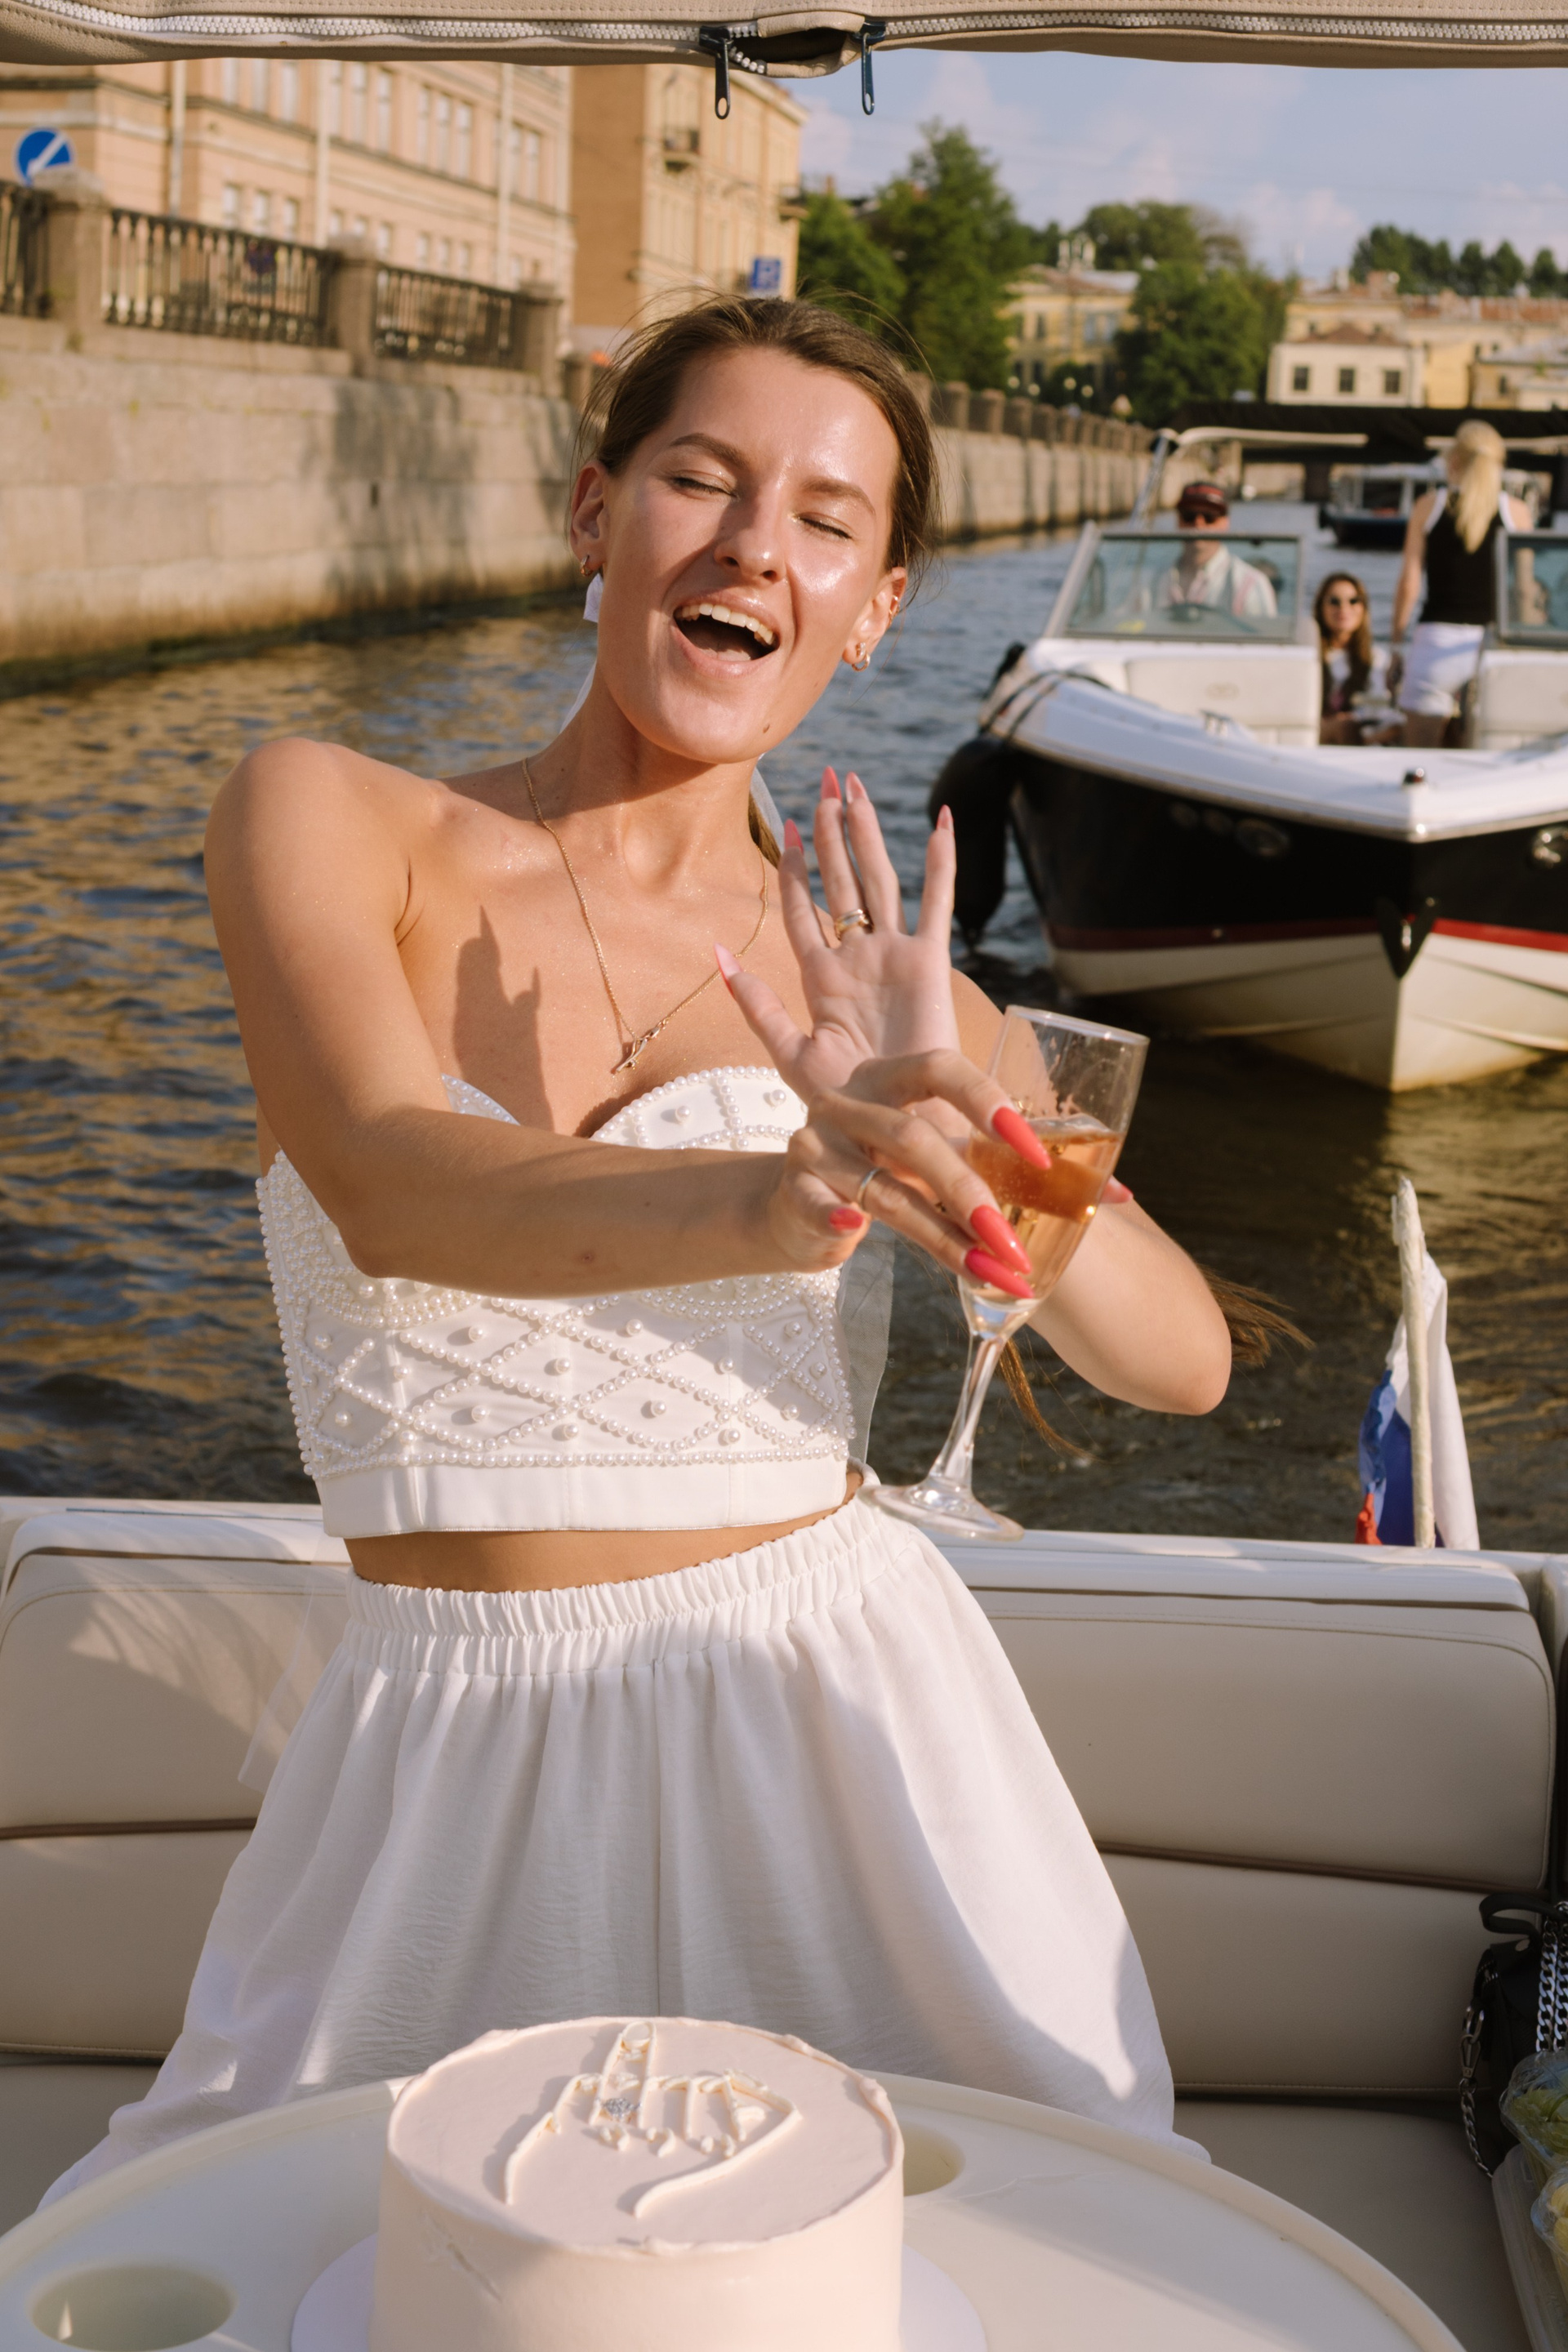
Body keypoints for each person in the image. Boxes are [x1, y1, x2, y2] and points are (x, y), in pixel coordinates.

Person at [49, 296, 1231, 2201]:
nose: (758, 545)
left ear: (873, 607)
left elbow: (1178, 1360)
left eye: (824, 520)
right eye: (702, 480)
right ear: (596, 511)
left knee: (971, 2264)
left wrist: (983, 1160)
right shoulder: (331, 818)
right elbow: (390, 1177)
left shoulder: (888, 992)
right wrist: (785, 1193)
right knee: (291, 2253)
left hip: (843, 1722)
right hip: (441, 1748)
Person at [1392, 420, 1531, 748]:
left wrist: (1396, 646)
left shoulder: (1429, 506)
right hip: (1491, 647)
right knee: (1486, 763)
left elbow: (1409, 584)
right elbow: (1524, 592)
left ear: (1454, 460)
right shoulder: (1516, 513)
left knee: (1419, 759)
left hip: (1435, 644)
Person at [1154, 481, 1277, 621]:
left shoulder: (1251, 584)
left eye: (1209, 516)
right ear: (1178, 520)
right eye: (1189, 515)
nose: (1198, 524)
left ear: (1225, 522)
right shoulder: (1150, 581)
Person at [1313, 572, 1392, 744]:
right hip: (1318, 733)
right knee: (1345, 727)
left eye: (1353, 601)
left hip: (1364, 733)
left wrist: (1355, 716)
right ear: (1320, 607)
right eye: (1334, 601)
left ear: (1364, 607)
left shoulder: (1376, 658)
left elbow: (1379, 704)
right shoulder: (1310, 655)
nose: (1344, 608)